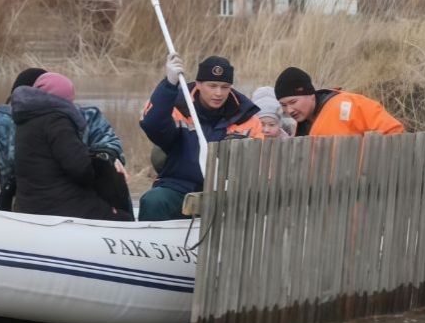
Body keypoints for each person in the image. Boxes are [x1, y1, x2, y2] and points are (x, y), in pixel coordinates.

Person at [0, 67, 125, 211]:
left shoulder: (84, 118)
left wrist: (106, 159)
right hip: (20, 205)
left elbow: (109, 143)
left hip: (75, 202)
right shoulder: (3, 122)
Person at [139, 55, 259, 221]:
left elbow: (258, 163)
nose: (218, 93)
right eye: (212, 86)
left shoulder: (247, 117)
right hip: (178, 187)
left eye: (225, 87)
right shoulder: (177, 105)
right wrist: (169, 84)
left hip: (227, 194)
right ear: (199, 84)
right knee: (154, 201)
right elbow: (151, 124)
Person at [11, 72, 132, 221]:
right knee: (123, 218)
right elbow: (80, 169)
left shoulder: (25, 121)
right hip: (59, 206)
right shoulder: (57, 122)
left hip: (28, 206)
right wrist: (103, 169)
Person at [274, 67, 405, 137]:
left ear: (311, 95)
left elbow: (394, 131)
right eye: (283, 105)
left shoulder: (349, 104)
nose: (289, 110)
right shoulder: (301, 126)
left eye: (293, 102)